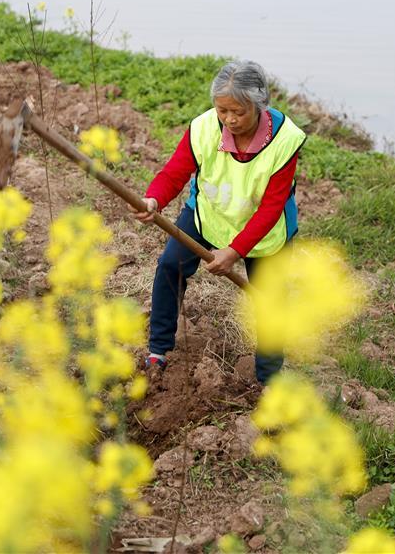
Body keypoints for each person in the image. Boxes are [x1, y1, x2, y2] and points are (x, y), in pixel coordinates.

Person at [131, 60, 306, 385]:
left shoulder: (284, 141)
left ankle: (269, 380)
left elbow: (271, 208)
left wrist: (235, 251)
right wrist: (153, 199)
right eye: (222, 110)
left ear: (260, 105)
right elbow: (174, 173)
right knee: (171, 266)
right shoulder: (203, 128)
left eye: (238, 111)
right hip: (209, 213)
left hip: (264, 233)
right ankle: (158, 350)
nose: (229, 119)